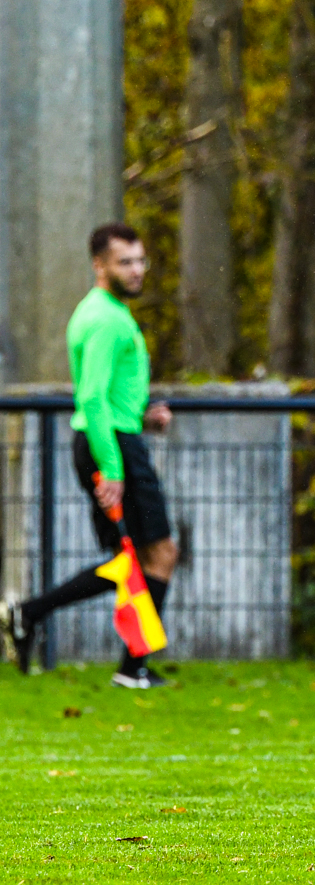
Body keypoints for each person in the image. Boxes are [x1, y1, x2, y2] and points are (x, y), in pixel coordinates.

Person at [1, 224, 179, 689]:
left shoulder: (107, 312)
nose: (137, 270)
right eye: (125, 262)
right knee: (159, 552)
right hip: (111, 447)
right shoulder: (105, 319)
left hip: (116, 439)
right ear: (99, 265)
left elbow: (108, 400)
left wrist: (143, 418)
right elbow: (93, 398)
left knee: (132, 559)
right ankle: (132, 667)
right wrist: (115, 468)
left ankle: (29, 614)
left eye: (141, 260)